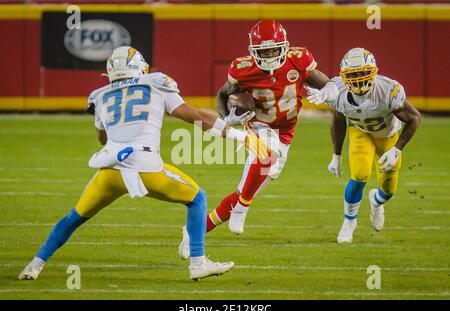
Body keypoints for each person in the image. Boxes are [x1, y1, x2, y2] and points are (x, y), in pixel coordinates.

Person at [18, 46, 273, 281]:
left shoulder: (100, 96)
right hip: (146, 166)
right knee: (197, 198)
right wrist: (240, 135)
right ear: (141, 68)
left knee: (74, 217)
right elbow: (194, 116)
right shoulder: (157, 83)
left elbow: (102, 138)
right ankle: (198, 263)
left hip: (110, 170)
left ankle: (35, 264)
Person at [178, 20, 339, 259]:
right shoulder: (243, 68)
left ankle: (193, 233)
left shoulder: (299, 59)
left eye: (274, 49)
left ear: (284, 46)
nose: (270, 55)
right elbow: (223, 95)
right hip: (259, 125)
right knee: (265, 154)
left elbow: (329, 83)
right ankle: (243, 206)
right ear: (253, 51)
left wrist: (327, 92)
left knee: (243, 190)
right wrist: (228, 117)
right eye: (264, 52)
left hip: (285, 134)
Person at [307, 47, 421, 243]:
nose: (359, 78)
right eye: (353, 74)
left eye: (363, 73)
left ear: (373, 72)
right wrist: (336, 155)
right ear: (344, 76)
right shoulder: (338, 91)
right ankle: (349, 222)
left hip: (388, 137)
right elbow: (338, 121)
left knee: (388, 188)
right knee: (360, 174)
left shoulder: (388, 90)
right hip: (360, 132)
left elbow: (414, 118)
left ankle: (376, 201)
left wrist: (397, 149)